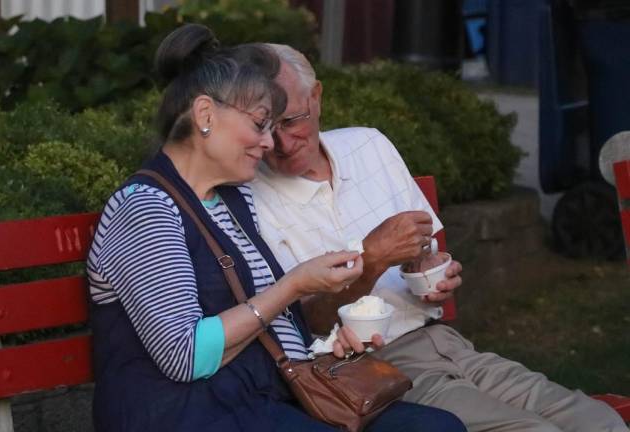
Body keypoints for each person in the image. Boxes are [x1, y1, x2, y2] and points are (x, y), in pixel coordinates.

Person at [86, 24, 466, 432]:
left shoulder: (233, 200)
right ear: (205, 115)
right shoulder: (145, 209)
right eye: (260, 123)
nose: (269, 143)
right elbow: (185, 354)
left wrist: (324, 344)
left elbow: (265, 323)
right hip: (183, 413)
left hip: (259, 396)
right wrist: (293, 286)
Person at [250, 42, 630, 432]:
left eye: (291, 120)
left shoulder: (368, 145)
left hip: (444, 342)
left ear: (316, 99)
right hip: (368, 372)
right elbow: (306, 322)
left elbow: (426, 248)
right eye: (264, 126)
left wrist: (432, 271)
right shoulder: (253, 201)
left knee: (600, 422)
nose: (280, 143)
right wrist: (373, 257)